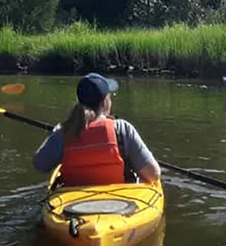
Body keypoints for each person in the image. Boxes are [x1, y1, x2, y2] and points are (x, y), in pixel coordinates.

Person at [33, 73, 161, 187]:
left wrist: (56, 134)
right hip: (120, 202)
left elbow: (40, 164)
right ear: (105, 102)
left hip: (73, 205)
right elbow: (153, 174)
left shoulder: (64, 133)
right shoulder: (122, 129)